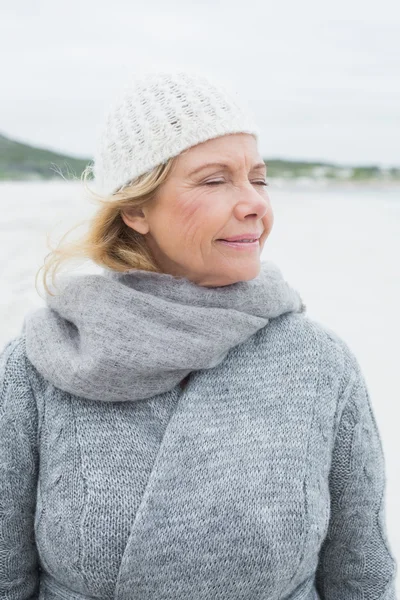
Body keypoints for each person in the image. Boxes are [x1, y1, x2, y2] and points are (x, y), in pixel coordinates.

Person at [0, 69, 397, 600]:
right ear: (137, 208)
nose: (255, 202)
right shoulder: (36, 365)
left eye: (258, 177)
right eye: (215, 179)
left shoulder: (320, 364)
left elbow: (361, 577)